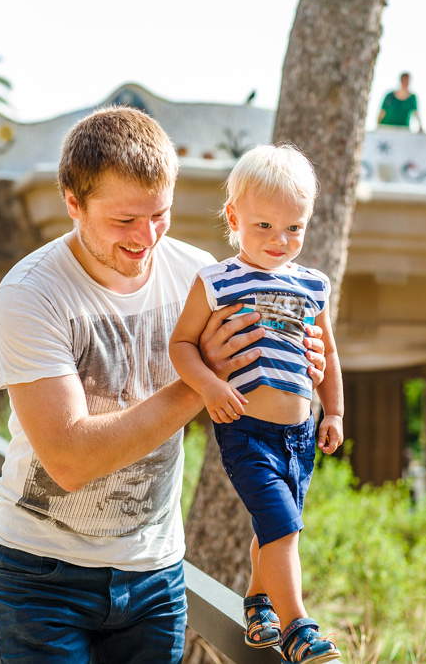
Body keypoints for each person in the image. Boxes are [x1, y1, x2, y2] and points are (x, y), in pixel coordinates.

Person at [0, 106, 326, 662]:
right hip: (42, 574)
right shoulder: (31, 293)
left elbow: (266, 367)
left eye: (160, 215)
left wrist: (297, 359)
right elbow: (68, 459)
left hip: (156, 570)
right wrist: (206, 379)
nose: (146, 238)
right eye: (125, 221)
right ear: (72, 203)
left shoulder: (199, 273)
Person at [169, 143, 344, 663]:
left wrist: (332, 411)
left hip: (300, 434)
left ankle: (258, 602)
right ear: (233, 218)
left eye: (294, 228)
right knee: (283, 525)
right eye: (264, 226)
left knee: (275, 525)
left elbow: (328, 354)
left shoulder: (313, 284)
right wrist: (208, 386)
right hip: (246, 429)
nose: (280, 240)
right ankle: (297, 627)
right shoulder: (218, 281)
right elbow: (181, 345)